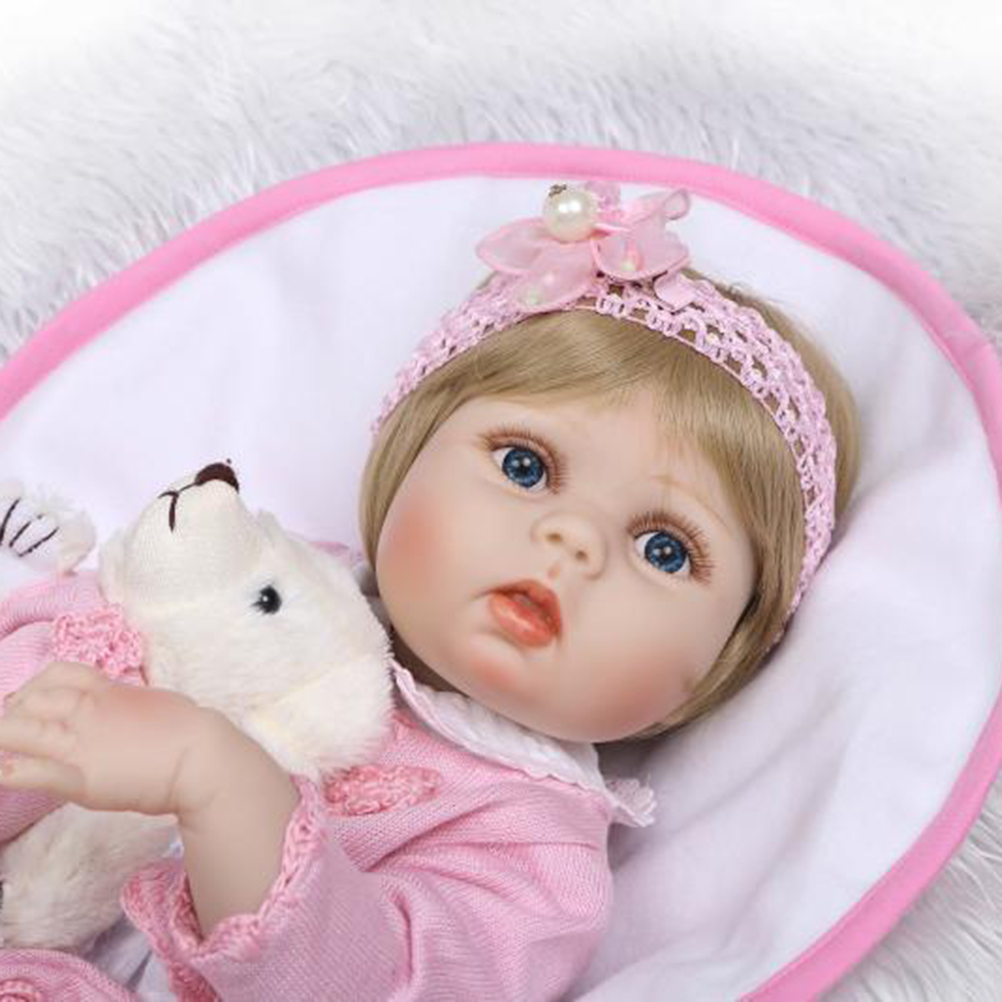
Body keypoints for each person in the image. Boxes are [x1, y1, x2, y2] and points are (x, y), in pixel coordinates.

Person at [0, 179, 860, 999]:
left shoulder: (533, 850)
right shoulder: (256, 577)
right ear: (407, 453)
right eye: (525, 467)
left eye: (664, 549)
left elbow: (378, 986)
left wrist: (223, 784)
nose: (574, 542)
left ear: (727, 658)